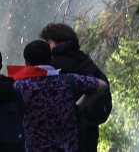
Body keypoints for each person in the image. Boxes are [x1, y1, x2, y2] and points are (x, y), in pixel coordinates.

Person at [11, 40, 107, 152]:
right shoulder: (69, 81)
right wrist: (77, 107)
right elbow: (102, 85)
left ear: (26, 63)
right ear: (51, 59)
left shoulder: (20, 87)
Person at [39, 23, 112, 152]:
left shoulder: (54, 68)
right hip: (88, 136)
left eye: (48, 42)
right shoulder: (86, 62)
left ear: (58, 43)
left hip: (64, 138)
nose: (46, 47)